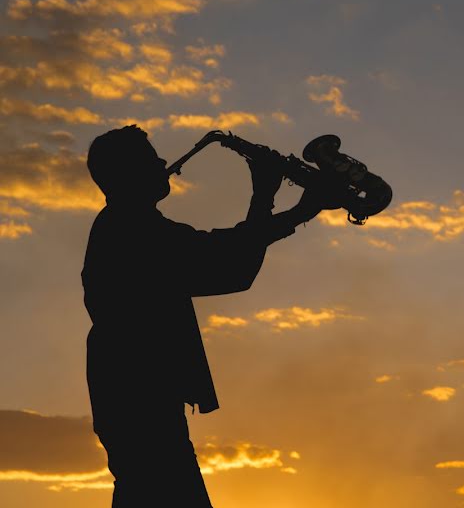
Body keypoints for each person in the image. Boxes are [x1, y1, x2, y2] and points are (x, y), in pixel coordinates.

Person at [81, 125, 339, 507]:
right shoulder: (134, 229)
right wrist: (273, 200)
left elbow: (228, 260)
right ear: (130, 173)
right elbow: (230, 266)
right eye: (152, 160)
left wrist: (289, 208)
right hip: (144, 404)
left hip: (138, 400)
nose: (164, 163)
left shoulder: (127, 226)